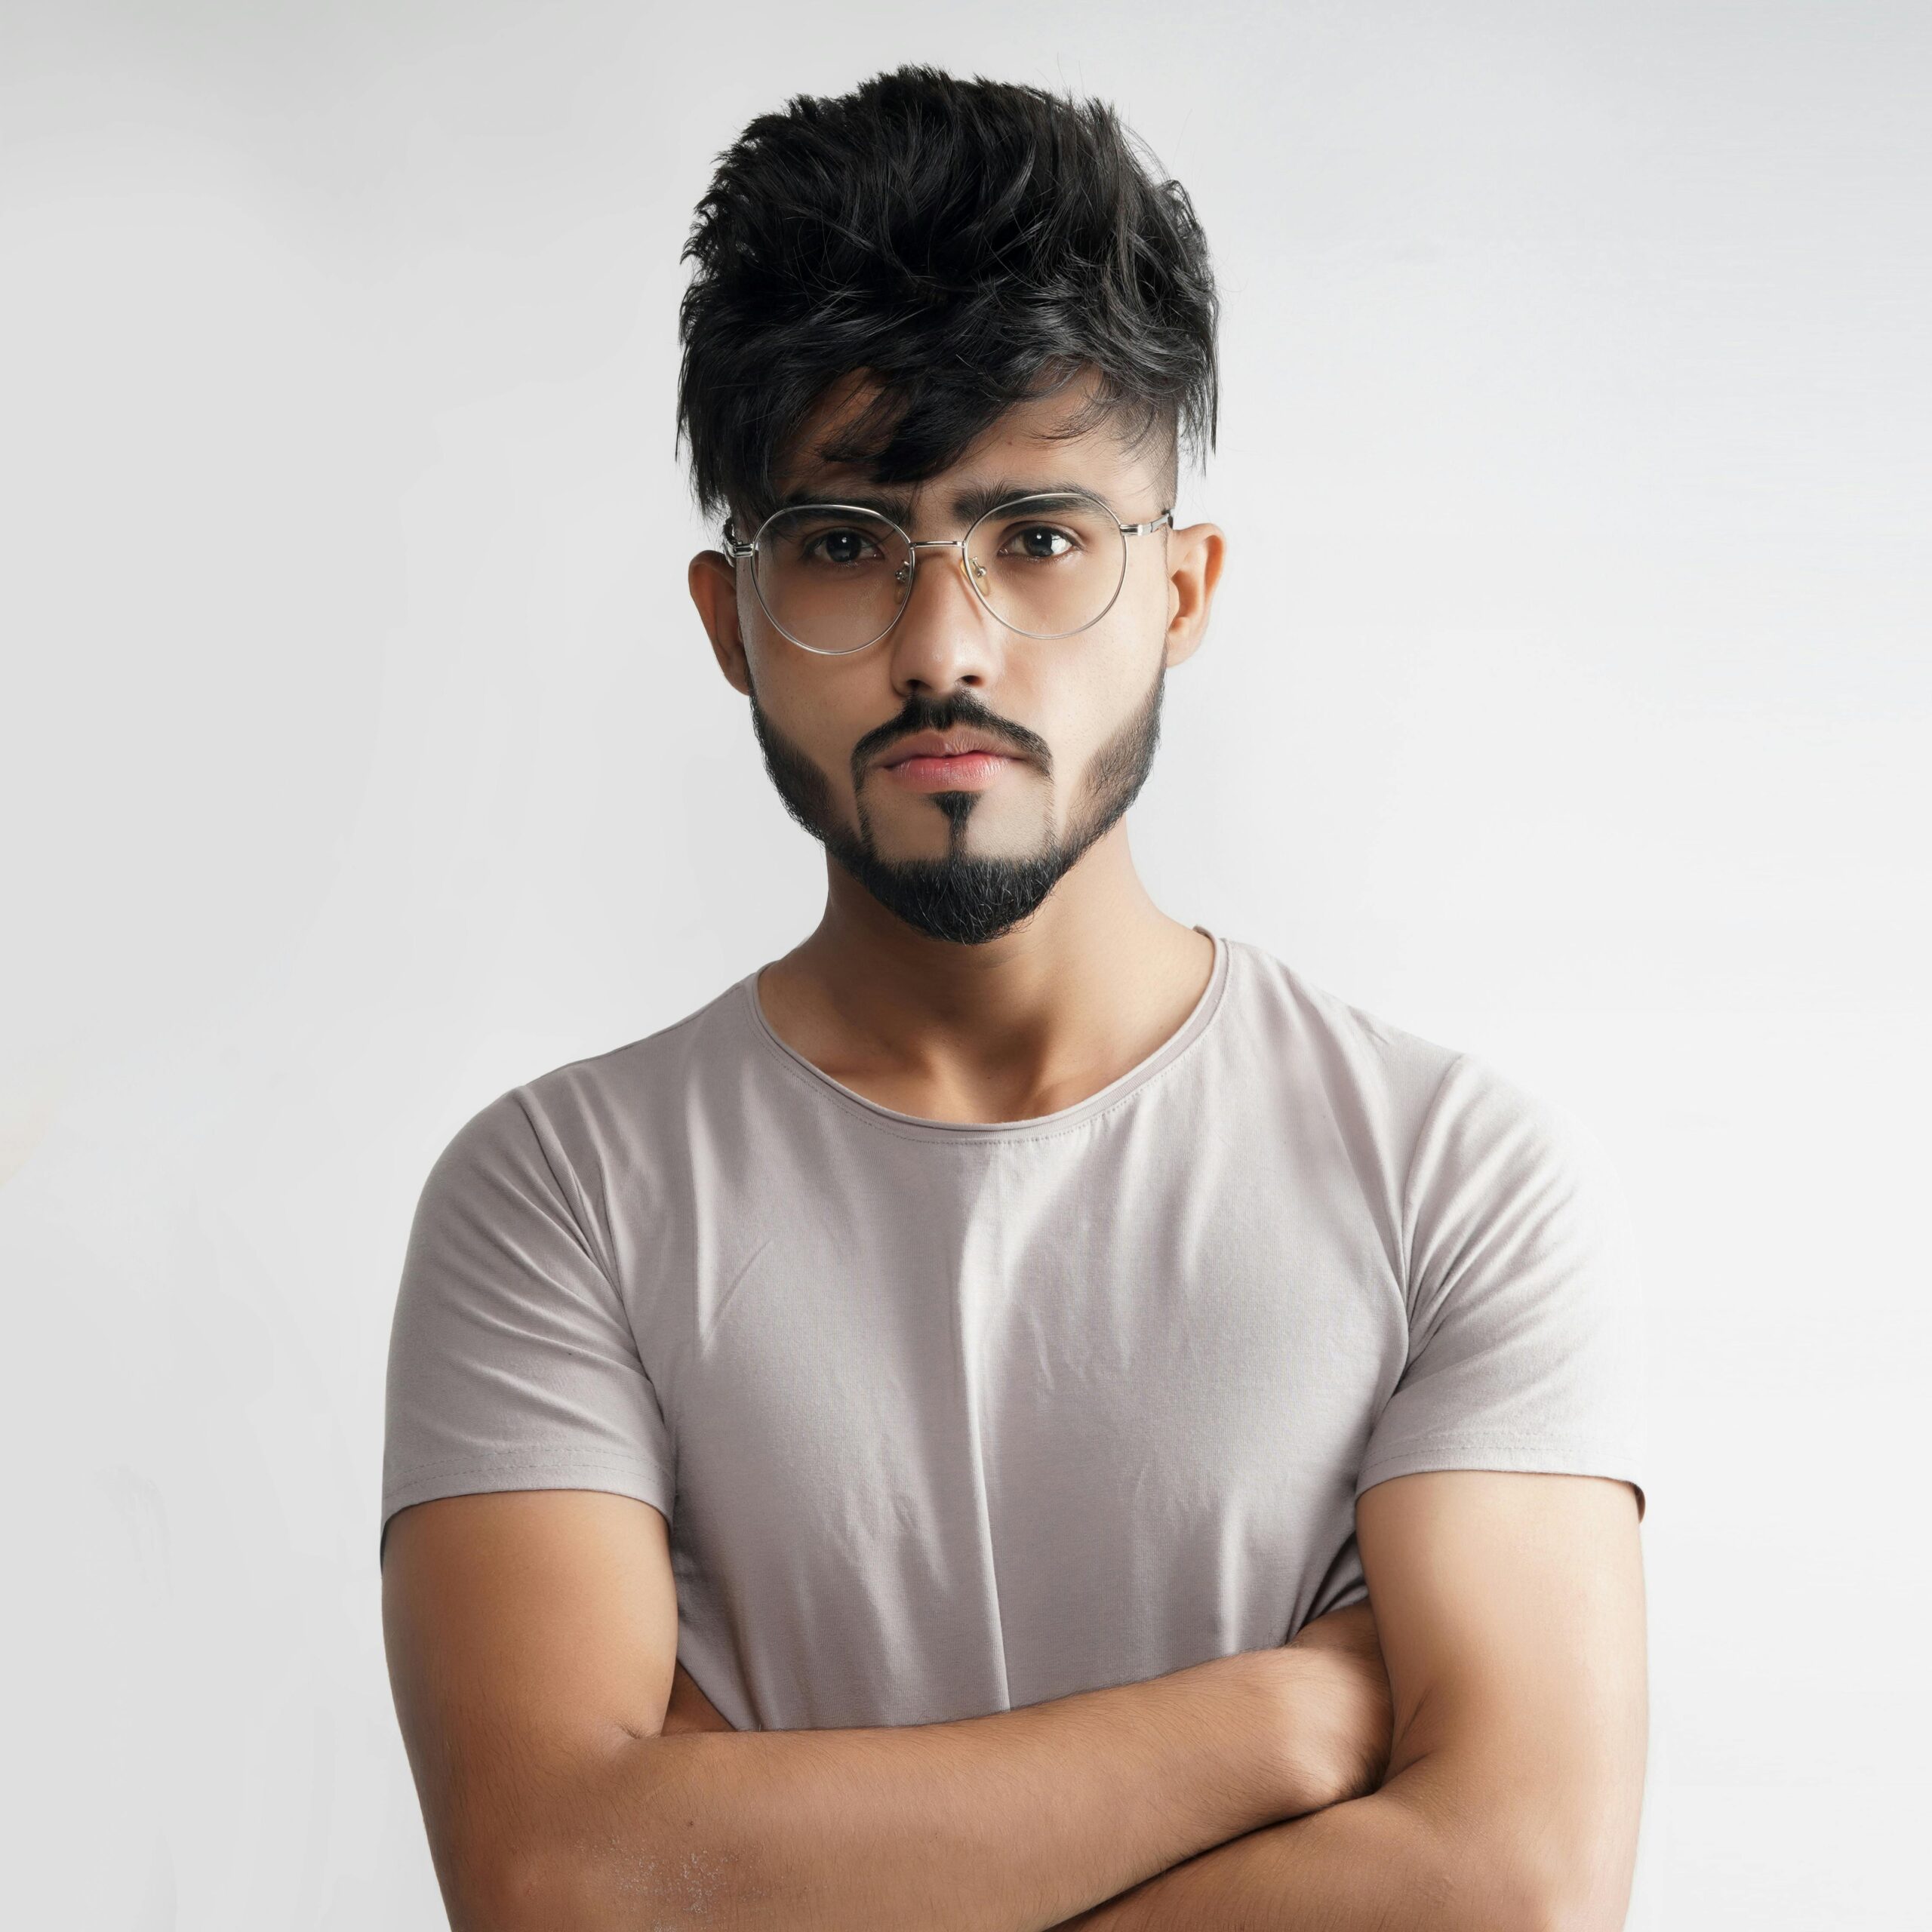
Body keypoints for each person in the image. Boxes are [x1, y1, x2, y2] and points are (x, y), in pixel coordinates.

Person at [380, 65, 1650, 1931]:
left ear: (1181, 590)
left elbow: (1512, 1884)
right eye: (841, 545)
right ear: (729, 619)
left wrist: (759, 1846)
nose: (942, 646)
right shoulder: (557, 1195)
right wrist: (1296, 1715)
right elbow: (566, 1878)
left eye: (1037, 537)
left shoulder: (1443, 1172)